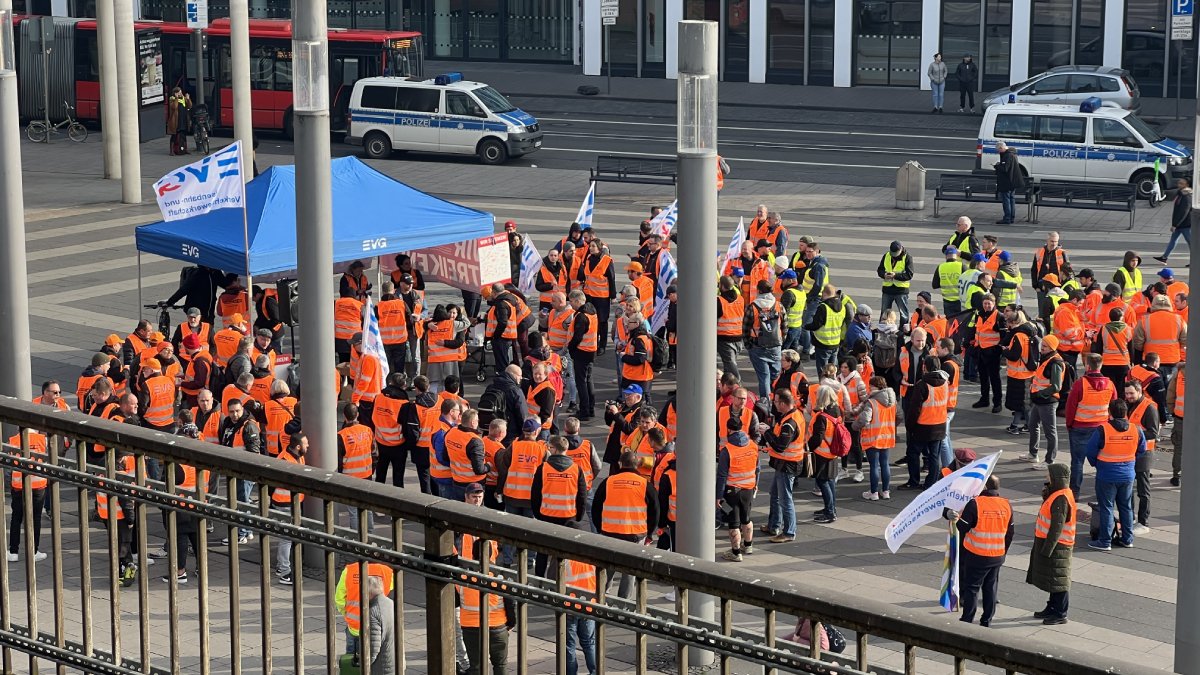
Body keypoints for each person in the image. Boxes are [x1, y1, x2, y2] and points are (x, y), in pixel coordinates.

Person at [457, 482, 516, 675]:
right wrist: (510, 624)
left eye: (480, 495)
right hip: (497, 625)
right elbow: (510, 602)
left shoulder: (463, 579)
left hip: (471, 625)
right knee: (500, 666)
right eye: (474, 495)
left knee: (476, 667)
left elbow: (457, 597)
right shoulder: (499, 578)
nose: (477, 499)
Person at [947, 475, 1013, 627]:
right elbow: (1010, 533)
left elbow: (962, 527)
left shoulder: (975, 503)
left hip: (977, 555)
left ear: (984, 487)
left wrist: (958, 517)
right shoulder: (1006, 505)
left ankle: (967, 620)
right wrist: (1003, 551)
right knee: (990, 588)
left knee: (972, 589)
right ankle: (987, 620)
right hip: (997, 555)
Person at [590, 451, 658, 598]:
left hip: (609, 532)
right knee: (629, 572)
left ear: (620, 464)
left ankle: (601, 596)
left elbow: (596, 507)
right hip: (635, 534)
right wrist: (650, 534)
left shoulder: (608, 481)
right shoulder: (645, 484)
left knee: (606, 567)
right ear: (637, 465)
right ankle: (624, 605)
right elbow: (655, 511)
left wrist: (600, 527)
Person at [1086, 400, 1145, 551]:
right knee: (1126, 507)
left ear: (1109, 413)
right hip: (1127, 475)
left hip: (1106, 474)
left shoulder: (1102, 430)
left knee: (1107, 507)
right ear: (1126, 413)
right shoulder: (1136, 429)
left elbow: (1090, 451)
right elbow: (1142, 450)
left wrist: (1098, 464)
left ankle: (1105, 541)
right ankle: (1127, 539)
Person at [1065, 352, 1116, 499]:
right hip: (1101, 428)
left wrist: (1070, 425)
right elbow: (1114, 405)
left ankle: (1075, 492)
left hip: (1080, 428)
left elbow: (1071, 407)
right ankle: (1102, 492)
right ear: (1101, 365)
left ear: (1087, 366)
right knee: (1101, 462)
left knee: (1077, 462)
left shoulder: (1080, 384)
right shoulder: (1110, 384)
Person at [902, 356, 949, 490]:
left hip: (922, 426)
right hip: (939, 425)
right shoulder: (945, 382)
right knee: (934, 456)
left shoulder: (922, 385)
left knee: (912, 453)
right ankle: (931, 483)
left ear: (925, 367)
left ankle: (914, 481)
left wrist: (909, 426)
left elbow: (914, 409)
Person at [270, 432, 307, 585]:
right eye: (306, 444)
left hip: (290, 502)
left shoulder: (296, 456)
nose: (308, 446)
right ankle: (285, 572)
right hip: (284, 504)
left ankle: (281, 567)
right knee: (286, 538)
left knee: (287, 537)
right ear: (298, 447)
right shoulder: (285, 460)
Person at [1123, 379, 1158, 535]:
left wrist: (1132, 434)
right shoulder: (1130, 404)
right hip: (1131, 452)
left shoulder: (1149, 408)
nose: (1128, 396)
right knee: (1129, 487)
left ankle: (1143, 521)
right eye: (1126, 393)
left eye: (1131, 393)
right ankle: (1130, 518)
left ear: (1139, 391)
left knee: (1143, 490)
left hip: (1144, 453)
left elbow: (1153, 433)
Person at [1025, 335, 1065, 468]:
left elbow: (1056, 386)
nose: (1042, 348)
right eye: (1042, 345)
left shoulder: (1055, 362)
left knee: (1050, 432)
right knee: (1032, 425)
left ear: (1052, 348)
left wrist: (1040, 394)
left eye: (1045, 346)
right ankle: (1033, 454)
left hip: (1047, 401)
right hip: (1040, 400)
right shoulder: (1047, 359)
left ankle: (1049, 460)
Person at [857, 376, 896, 500]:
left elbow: (864, 419)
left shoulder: (872, 402)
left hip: (873, 437)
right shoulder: (892, 401)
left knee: (874, 465)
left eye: (870, 386)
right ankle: (886, 491)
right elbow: (899, 415)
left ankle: (873, 492)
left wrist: (855, 425)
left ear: (875, 387)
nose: (869, 389)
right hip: (887, 436)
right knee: (885, 464)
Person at [808, 388, 842, 523]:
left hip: (822, 453)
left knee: (823, 481)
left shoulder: (822, 416)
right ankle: (830, 508)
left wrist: (808, 448)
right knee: (830, 481)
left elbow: (817, 437)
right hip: (832, 452)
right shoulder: (836, 410)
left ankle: (829, 512)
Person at [746, 280, 783, 398]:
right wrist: (781, 340)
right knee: (776, 374)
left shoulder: (752, 307)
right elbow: (785, 325)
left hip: (757, 346)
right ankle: (776, 398)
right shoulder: (778, 305)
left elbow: (745, 328)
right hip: (775, 345)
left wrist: (748, 345)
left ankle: (766, 403)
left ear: (759, 291)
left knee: (764, 377)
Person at [1156, 177, 1193, 264]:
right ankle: (1164, 257)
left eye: (1181, 183)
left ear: (1187, 185)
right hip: (1179, 224)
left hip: (1185, 225)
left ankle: (1195, 261)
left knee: (1191, 244)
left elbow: (1184, 212)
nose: (1179, 184)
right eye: (1178, 183)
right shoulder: (1180, 193)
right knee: (1173, 240)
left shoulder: (1187, 196)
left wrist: (1175, 225)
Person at [877, 240, 914, 326]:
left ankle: (902, 333)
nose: (894, 256)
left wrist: (895, 275)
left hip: (901, 290)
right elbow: (880, 270)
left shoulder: (907, 257)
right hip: (887, 289)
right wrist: (884, 275)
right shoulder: (886, 256)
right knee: (884, 313)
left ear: (901, 250)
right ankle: (882, 330)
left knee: (903, 314)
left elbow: (909, 275)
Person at [716, 275, 745, 378]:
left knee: (730, 364)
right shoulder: (740, 299)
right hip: (738, 337)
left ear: (722, 286)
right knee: (729, 366)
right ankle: (729, 387)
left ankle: (738, 386)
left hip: (724, 338)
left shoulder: (719, 301)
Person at [993, 140, 1024, 224]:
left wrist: (997, 166)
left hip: (1007, 182)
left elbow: (1005, 169)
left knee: (1006, 200)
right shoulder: (1012, 154)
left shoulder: (1007, 155)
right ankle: (1011, 217)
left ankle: (1007, 218)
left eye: (998, 150)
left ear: (1001, 148)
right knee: (1011, 199)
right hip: (1012, 182)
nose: (998, 152)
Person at [1168, 363, 1186, 486]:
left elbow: (1170, 393)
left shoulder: (1180, 373)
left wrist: (1171, 410)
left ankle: (1177, 475)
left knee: (1179, 447)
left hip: (1180, 415)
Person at [166, 87, 192, 155]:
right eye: (178, 92)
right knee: (174, 135)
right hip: (175, 121)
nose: (180, 94)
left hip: (183, 119)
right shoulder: (172, 99)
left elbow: (189, 106)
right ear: (175, 93)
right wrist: (176, 98)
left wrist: (188, 99)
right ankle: (172, 151)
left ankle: (184, 149)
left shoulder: (183, 98)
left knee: (183, 134)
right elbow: (174, 107)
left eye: (180, 92)